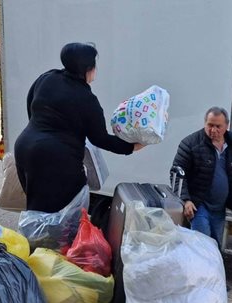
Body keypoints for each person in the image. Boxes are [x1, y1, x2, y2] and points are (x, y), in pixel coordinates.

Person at [15, 42, 144, 212]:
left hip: (25, 147)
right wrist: (131, 147)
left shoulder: (47, 77)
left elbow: (30, 103)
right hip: (57, 158)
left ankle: (33, 238)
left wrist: (40, 131)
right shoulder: (86, 99)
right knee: (64, 216)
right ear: (88, 68)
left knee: (37, 210)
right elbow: (100, 138)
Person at [172, 107, 232, 246]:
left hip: (220, 208)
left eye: (218, 126)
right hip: (199, 205)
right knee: (203, 245)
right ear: (205, 123)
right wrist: (186, 200)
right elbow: (177, 173)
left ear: (226, 126)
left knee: (216, 244)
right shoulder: (190, 143)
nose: (213, 130)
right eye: (210, 125)